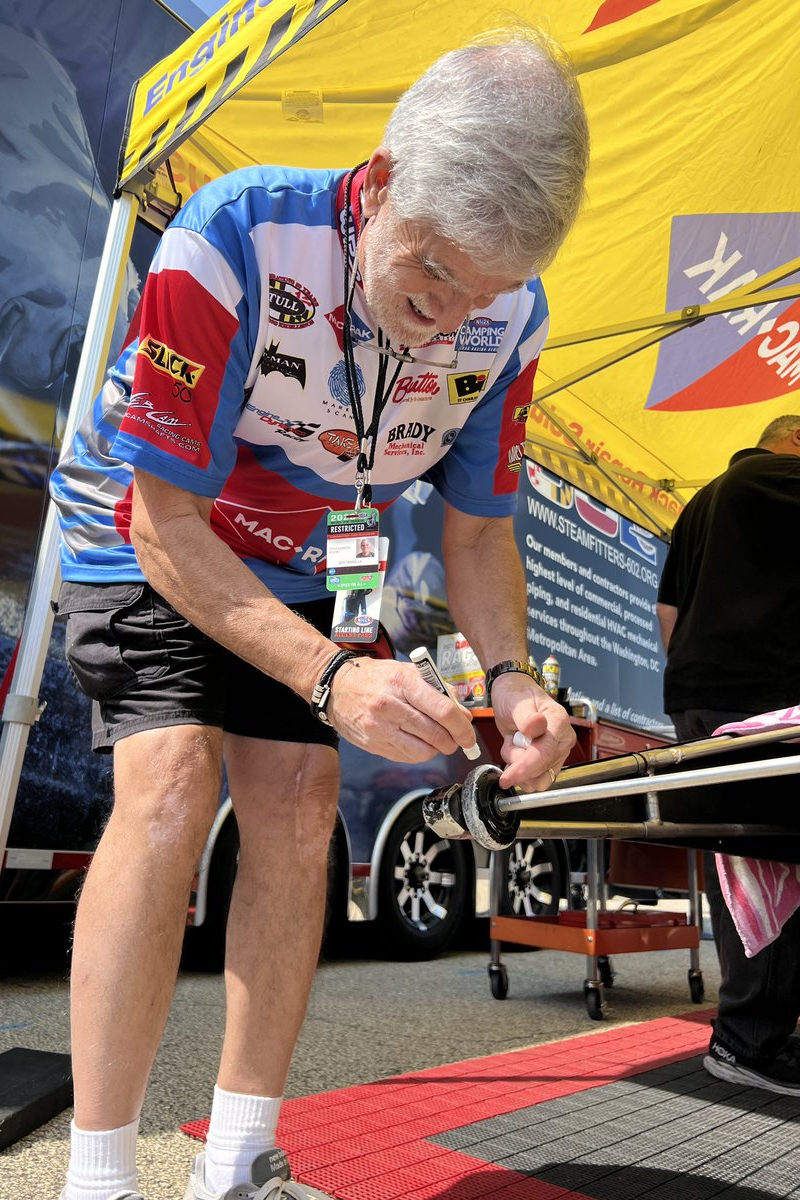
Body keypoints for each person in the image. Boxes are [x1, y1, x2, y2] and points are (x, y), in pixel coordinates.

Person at [50, 24, 588, 1200]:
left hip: (311, 565)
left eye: (484, 296)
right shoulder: (232, 238)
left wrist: (514, 683)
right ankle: (97, 1180)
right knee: (176, 780)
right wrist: (334, 677)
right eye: (434, 274)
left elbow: (482, 531)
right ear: (383, 179)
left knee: (299, 805)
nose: (449, 322)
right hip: (147, 537)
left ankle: (239, 1164)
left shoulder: (513, 317)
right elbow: (165, 526)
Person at [656, 413, 800, 1097]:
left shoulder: (701, 499)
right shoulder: (787, 480)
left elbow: (667, 616)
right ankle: (751, 1039)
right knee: (778, 854)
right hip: (770, 694)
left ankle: (751, 1029)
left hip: (697, 695)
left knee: (738, 863)